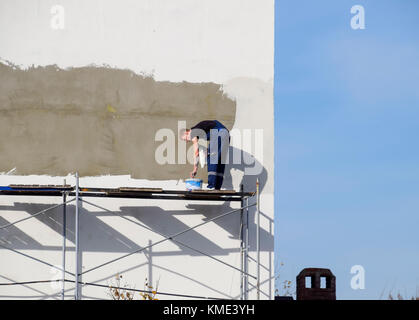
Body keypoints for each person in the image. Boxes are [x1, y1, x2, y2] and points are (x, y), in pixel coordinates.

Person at [180, 120, 230, 190]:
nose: (187, 141)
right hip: (226, 135)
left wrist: (195, 169)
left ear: (186, 132)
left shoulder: (193, 131)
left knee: (212, 159)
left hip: (218, 133)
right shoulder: (199, 130)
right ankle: (217, 187)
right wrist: (207, 151)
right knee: (220, 161)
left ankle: (211, 186)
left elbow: (196, 152)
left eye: (185, 139)